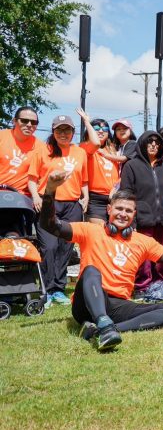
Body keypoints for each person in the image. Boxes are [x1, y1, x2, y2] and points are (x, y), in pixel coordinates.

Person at [39, 175, 163, 351]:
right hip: (87, 303)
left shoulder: (143, 241)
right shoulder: (90, 230)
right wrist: (50, 188)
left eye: (128, 211)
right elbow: (50, 224)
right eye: (119, 209)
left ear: (134, 214)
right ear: (109, 209)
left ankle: (106, 329)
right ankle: (104, 323)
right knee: (91, 270)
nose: (123, 214)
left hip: (118, 305)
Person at [28, 111, 92, 306]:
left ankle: (58, 289)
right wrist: (36, 196)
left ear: (73, 132)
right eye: (59, 130)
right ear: (53, 132)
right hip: (49, 203)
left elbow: (84, 180)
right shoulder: (42, 150)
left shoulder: (80, 152)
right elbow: (31, 179)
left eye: (67, 130)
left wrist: (86, 196)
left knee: (65, 247)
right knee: (49, 247)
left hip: (72, 205)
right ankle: (46, 289)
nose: (63, 134)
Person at [119, 131, 163, 296]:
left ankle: (161, 285)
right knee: (143, 255)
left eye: (157, 143)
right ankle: (142, 287)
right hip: (143, 218)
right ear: (142, 143)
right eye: (150, 142)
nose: (153, 145)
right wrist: (132, 219)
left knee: (162, 254)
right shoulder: (131, 165)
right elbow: (126, 193)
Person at [81, 117, 119, 225]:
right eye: (96, 128)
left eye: (105, 128)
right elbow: (95, 143)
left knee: (113, 234)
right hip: (95, 199)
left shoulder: (114, 149)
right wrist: (87, 123)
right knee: (99, 233)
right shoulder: (85, 147)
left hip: (114, 197)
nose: (101, 131)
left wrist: (116, 188)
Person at [0, 106, 40, 196]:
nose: (29, 125)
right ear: (14, 121)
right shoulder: (1, 137)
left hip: (21, 198)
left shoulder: (41, 147)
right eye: (24, 120)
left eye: (34, 122)